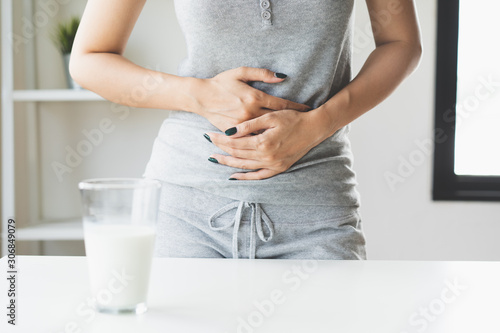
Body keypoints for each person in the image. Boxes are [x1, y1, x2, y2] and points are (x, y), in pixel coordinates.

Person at [70, 0, 422, 260]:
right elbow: (89, 59)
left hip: (315, 212)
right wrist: (200, 96)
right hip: (185, 211)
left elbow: (401, 42)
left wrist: (321, 123)